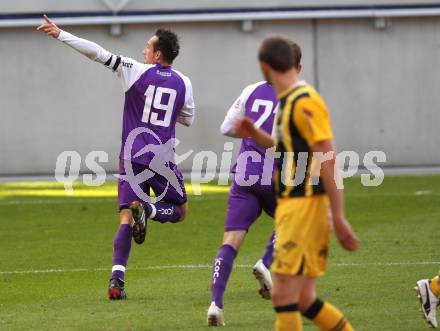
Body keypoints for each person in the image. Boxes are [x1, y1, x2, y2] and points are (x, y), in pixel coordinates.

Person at [37, 15, 195, 300]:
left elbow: (98, 53)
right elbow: (188, 119)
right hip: (162, 157)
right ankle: (150, 212)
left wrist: (61, 34)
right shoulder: (184, 82)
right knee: (181, 212)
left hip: (132, 156)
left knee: (125, 217)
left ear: (157, 54)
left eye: (148, 47)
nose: (143, 51)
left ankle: (116, 281)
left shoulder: (135, 70)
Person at [234, 36, 360, 331]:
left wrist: (337, 215)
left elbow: (327, 157)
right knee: (303, 299)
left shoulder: (304, 101)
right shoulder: (289, 101)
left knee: (283, 294)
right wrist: (256, 134)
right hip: (296, 208)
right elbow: (289, 147)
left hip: (304, 209)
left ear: (265, 68)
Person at [207, 81, 278, 326]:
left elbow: (226, 128)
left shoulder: (252, 90)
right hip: (275, 175)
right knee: (295, 218)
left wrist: (252, 133)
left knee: (230, 241)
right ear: (296, 67)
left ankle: (215, 304)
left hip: (244, 174)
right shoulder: (299, 96)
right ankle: (265, 263)